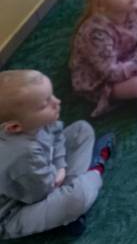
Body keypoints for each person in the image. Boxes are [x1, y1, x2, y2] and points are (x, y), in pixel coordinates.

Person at [0, 70, 114, 239]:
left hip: (44, 177)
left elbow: (57, 134)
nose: (57, 102)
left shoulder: (34, 121)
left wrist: (60, 165)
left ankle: (66, 216)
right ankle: (96, 169)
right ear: (15, 127)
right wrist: (57, 174)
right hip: (14, 211)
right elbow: (38, 195)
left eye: (51, 96)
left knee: (82, 130)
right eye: (45, 104)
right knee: (78, 198)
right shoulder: (23, 154)